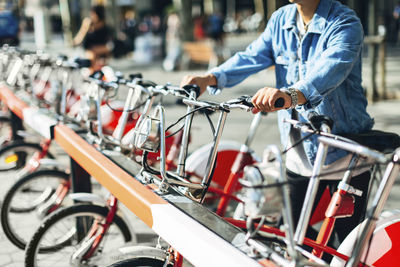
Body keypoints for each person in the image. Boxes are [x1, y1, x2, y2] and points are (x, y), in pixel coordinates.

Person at [181, 0, 374, 245]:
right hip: (299, 152)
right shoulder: (281, 20)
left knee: (347, 243)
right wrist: (210, 77)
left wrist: (290, 95)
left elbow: (331, 68)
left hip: (345, 151)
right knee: (290, 236)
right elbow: (251, 56)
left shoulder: (344, 22)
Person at [73, 5, 113, 71]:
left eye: (93, 14)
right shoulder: (88, 22)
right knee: (92, 56)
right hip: (90, 49)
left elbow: (109, 42)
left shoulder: (104, 25)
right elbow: (80, 36)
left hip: (101, 49)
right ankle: (92, 71)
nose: (92, 16)